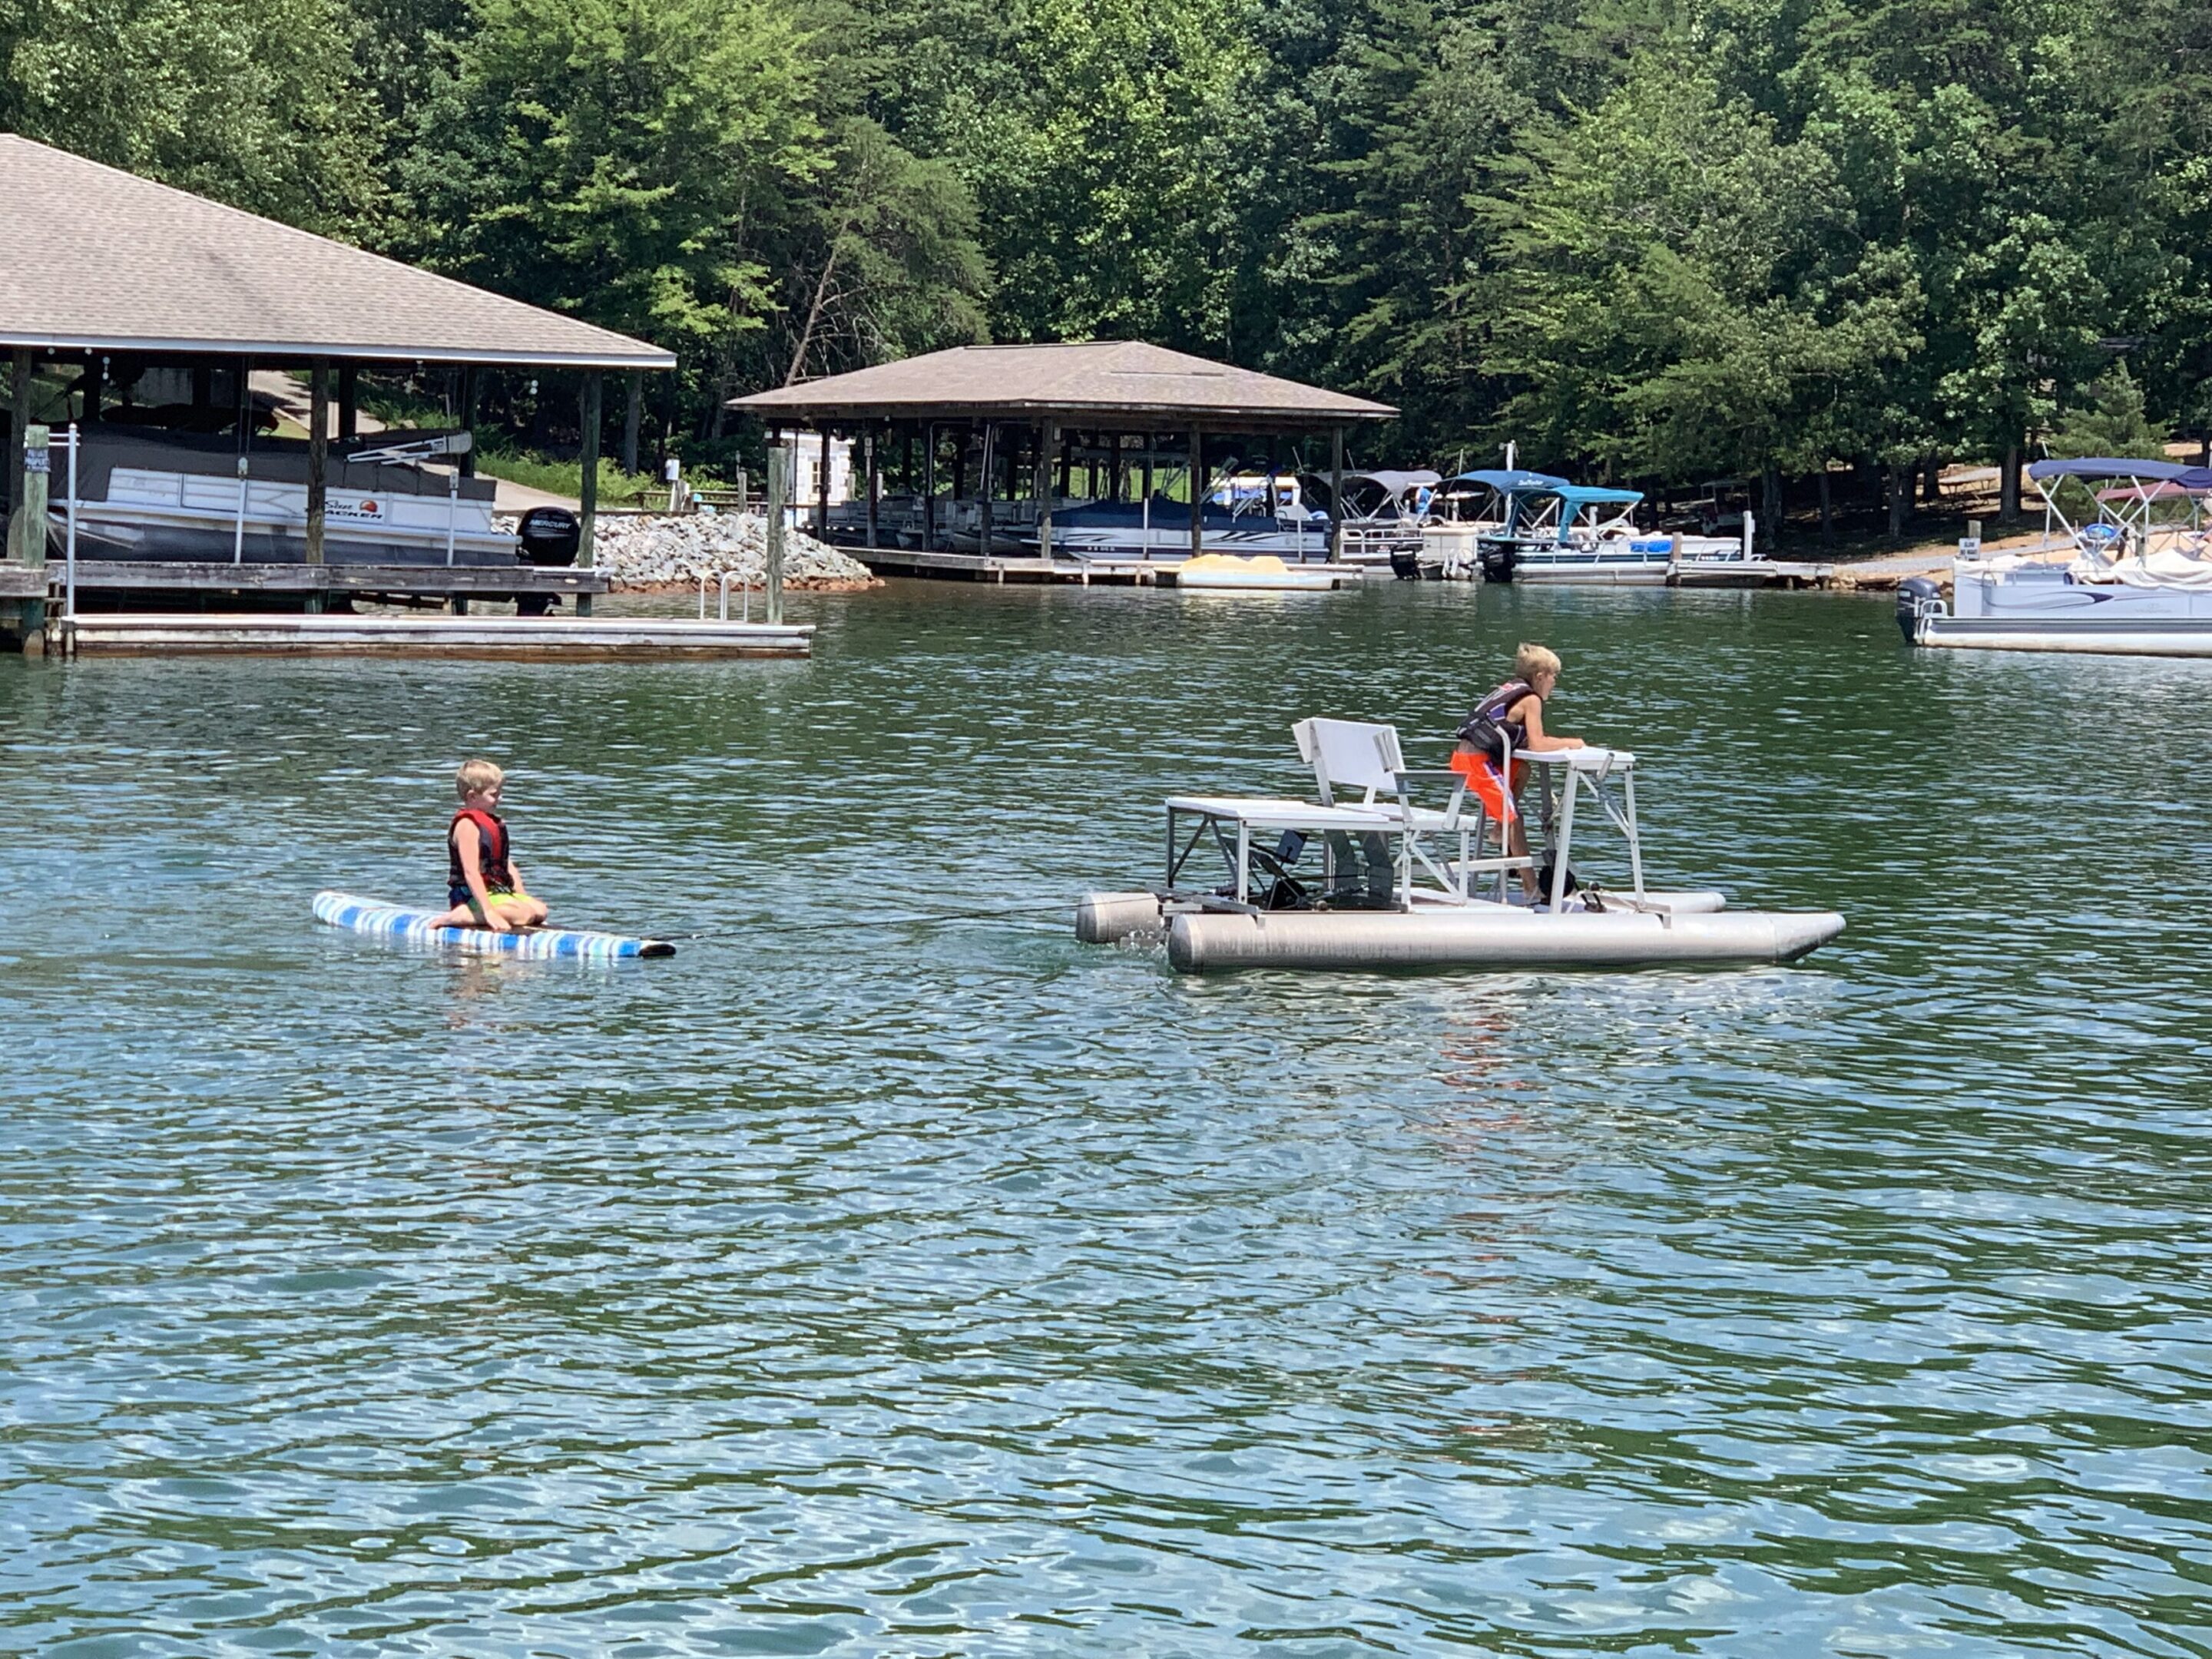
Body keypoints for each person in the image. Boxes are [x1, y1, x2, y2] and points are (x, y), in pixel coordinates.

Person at [1451, 644, 1584, 899]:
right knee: (1516, 819)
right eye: (1554, 676)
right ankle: (1530, 887)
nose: (1555, 682)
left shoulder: (1509, 689)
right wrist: (1573, 742)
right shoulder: (1531, 699)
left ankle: (1499, 828)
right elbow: (1539, 743)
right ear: (1540, 676)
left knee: (1522, 769)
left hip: (1466, 756)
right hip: (1476, 762)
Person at [426, 758, 549, 932]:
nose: (500, 798)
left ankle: (495, 911)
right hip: (470, 897)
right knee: (524, 915)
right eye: (494, 794)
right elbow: (471, 872)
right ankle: (463, 915)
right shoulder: (467, 825)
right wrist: (489, 911)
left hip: (497, 892)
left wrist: (521, 896)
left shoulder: (493, 824)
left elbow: (507, 865)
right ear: (472, 796)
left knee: (539, 910)